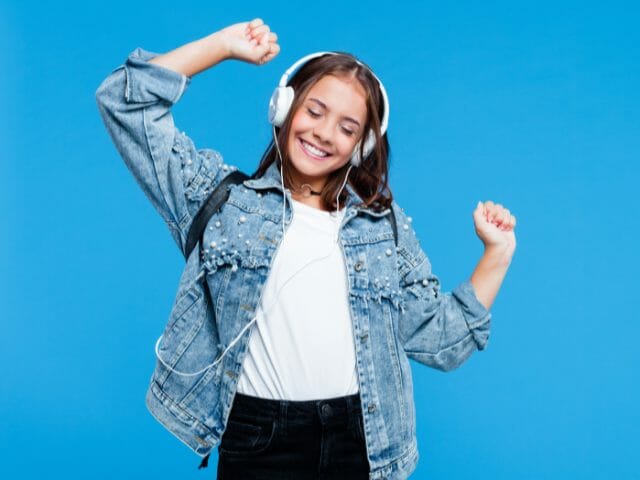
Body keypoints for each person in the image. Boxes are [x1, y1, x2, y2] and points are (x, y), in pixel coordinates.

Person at [95, 17, 517, 480]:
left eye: (346, 127)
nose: (323, 133)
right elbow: (124, 100)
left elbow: (441, 341)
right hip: (258, 436)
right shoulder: (221, 201)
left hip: (361, 439)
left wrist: (495, 254)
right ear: (284, 107)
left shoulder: (382, 227)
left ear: (363, 145)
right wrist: (221, 46)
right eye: (314, 111)